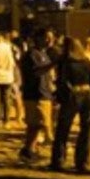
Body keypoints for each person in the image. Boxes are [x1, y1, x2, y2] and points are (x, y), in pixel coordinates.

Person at [50, 38, 90, 173]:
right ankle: (83, 162)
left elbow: (62, 82)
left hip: (72, 96)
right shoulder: (86, 61)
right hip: (88, 95)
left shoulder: (65, 62)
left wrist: (59, 97)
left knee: (63, 129)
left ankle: (58, 160)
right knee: (86, 129)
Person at [19, 29, 56, 163]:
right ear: (38, 38)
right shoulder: (32, 54)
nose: (50, 40)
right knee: (39, 123)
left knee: (36, 124)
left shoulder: (43, 54)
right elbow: (36, 72)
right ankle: (28, 149)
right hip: (35, 94)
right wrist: (53, 64)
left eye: (51, 37)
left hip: (43, 92)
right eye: (47, 37)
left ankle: (30, 150)